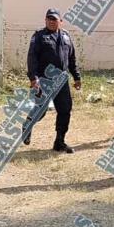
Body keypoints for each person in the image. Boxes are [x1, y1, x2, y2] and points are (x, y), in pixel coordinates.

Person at [25, 8, 82, 153]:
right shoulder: (39, 36)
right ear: (45, 20)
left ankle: (59, 142)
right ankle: (27, 126)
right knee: (41, 110)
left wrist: (76, 76)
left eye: (54, 19)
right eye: (49, 19)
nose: (51, 21)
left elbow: (72, 58)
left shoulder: (66, 36)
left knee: (65, 110)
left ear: (60, 22)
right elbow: (32, 58)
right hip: (44, 80)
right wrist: (33, 78)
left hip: (62, 80)